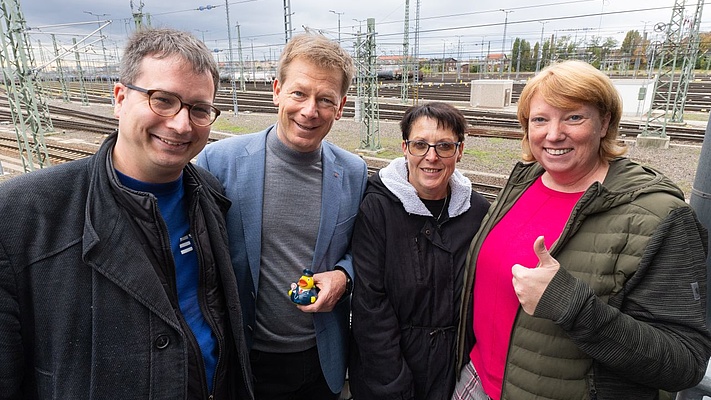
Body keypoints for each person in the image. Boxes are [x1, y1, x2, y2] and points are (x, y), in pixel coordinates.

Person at [0, 28, 254, 399]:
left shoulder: (210, 195)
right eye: (162, 100)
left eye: (199, 109)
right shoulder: (22, 217)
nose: (181, 124)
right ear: (120, 98)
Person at [452, 60, 711, 400]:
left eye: (574, 117)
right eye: (540, 119)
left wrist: (571, 305)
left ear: (605, 122)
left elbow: (684, 362)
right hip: (477, 382)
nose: (553, 133)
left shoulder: (659, 216)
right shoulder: (523, 182)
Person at [196, 32, 368, 399]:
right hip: (246, 359)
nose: (310, 111)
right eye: (299, 93)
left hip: (321, 360)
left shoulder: (354, 172)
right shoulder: (218, 162)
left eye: (325, 100)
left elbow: (363, 249)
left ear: (341, 107)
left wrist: (343, 276)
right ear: (277, 90)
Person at [348, 102, 490, 399]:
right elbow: (370, 306)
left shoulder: (477, 212)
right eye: (420, 144)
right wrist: (395, 386)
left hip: (454, 370)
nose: (432, 156)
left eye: (445, 146)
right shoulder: (378, 208)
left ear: (460, 151)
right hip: (387, 372)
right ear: (405, 148)